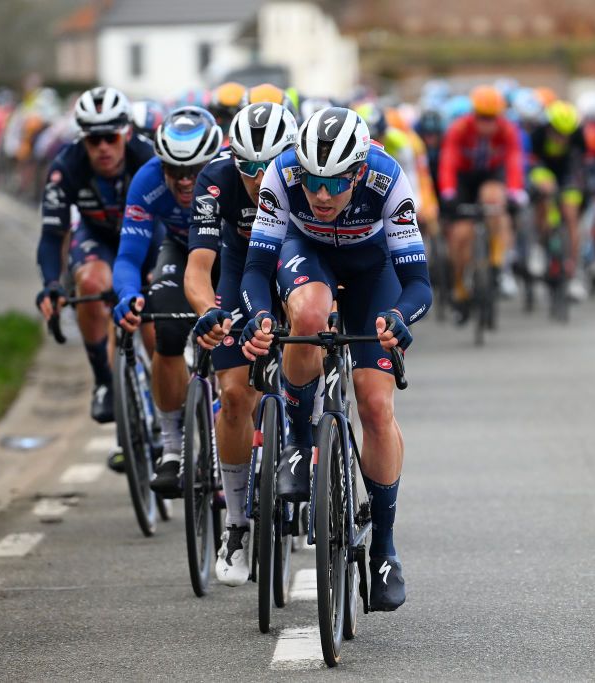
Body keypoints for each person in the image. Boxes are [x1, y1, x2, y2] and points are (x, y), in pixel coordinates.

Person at [239, 107, 431, 610]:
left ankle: (384, 548)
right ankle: (301, 446)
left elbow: (418, 285)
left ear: (359, 170)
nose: (321, 195)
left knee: (374, 406)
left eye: (335, 182)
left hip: (374, 272)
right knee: (307, 316)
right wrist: (259, 317)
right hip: (308, 255)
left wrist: (399, 317)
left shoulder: (389, 181)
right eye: (313, 180)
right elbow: (256, 268)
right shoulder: (282, 175)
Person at [185, 102, 297, 585]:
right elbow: (197, 267)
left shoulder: (305, 177)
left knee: (305, 348)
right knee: (233, 395)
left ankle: (304, 447)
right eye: (247, 167)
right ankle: (235, 524)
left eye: (268, 167)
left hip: (293, 264)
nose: (257, 179)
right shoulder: (215, 180)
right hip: (237, 269)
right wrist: (207, 311)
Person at [112, 107, 224, 495]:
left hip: (232, 255)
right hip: (179, 252)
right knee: (167, 327)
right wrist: (128, 295)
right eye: (174, 171)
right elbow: (128, 256)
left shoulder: (230, 172)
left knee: (239, 336)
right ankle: (173, 447)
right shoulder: (146, 182)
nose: (185, 180)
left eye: (194, 169)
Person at [34, 86, 154, 424]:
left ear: (125, 133)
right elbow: (51, 236)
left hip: (145, 238)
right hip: (96, 239)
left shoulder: (146, 158)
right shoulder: (66, 168)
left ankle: (167, 417)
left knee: (155, 329)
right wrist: (51, 285)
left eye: (110, 138)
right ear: (81, 140)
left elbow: (169, 221)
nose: (102, 147)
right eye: (93, 140)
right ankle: (103, 379)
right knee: (89, 282)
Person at [438, 85, 526, 320]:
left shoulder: (508, 130)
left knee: (494, 198)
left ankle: (497, 261)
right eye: (481, 118)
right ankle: (459, 287)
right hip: (465, 178)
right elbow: (447, 163)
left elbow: (514, 161)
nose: (487, 124)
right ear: (473, 115)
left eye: (492, 119)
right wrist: (448, 193)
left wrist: (516, 191)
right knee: (460, 235)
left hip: (490, 175)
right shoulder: (458, 129)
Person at [529, 100, 587, 298]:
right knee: (544, 196)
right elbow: (530, 163)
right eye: (557, 132)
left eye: (566, 134)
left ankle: (574, 270)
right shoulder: (538, 134)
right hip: (544, 169)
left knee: (571, 215)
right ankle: (539, 244)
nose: (562, 138)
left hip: (567, 173)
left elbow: (583, 164)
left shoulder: (579, 136)